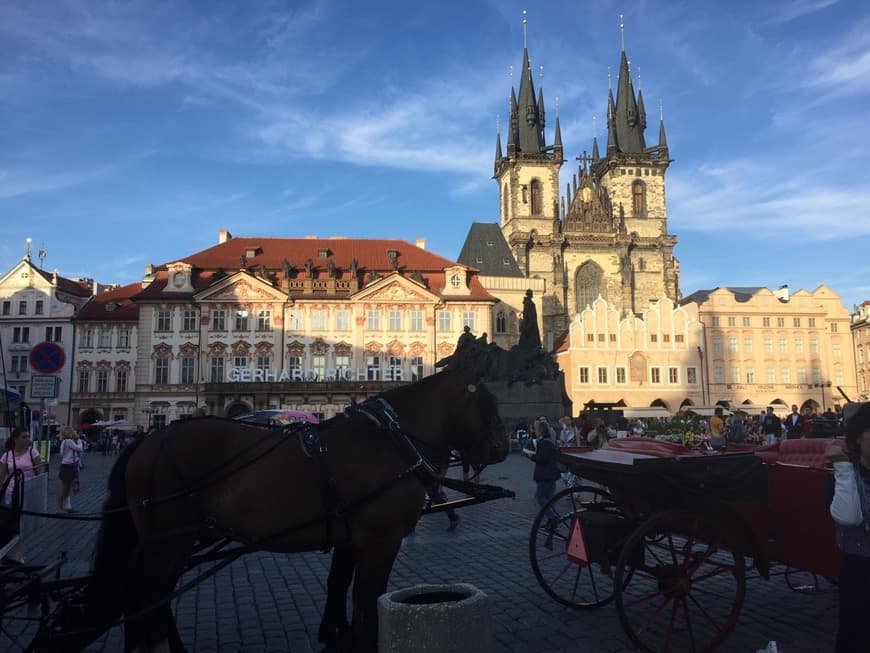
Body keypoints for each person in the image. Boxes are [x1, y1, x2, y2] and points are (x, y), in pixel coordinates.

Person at [825, 402, 870, 653]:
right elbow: (850, 517)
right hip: (859, 571)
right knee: (857, 634)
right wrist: (842, 467)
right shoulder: (844, 474)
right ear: (857, 438)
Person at [1, 428, 46, 562]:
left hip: (28, 492)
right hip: (10, 492)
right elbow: (1, 475)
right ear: (15, 439)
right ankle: (7, 551)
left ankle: (20, 556)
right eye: (24, 437)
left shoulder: (33, 452)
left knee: (21, 525)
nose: (28, 439)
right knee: (10, 522)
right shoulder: (7, 455)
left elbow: (40, 474)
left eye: (28, 436)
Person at [524, 420, 561, 525]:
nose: (534, 431)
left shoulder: (543, 442)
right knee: (548, 499)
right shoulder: (548, 440)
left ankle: (553, 517)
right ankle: (552, 520)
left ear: (540, 430)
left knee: (539, 497)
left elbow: (542, 459)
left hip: (546, 475)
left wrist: (531, 456)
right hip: (551, 474)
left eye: (535, 429)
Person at [57, 426, 83, 513]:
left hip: (65, 465)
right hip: (69, 466)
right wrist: (79, 440)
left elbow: (61, 454)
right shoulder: (69, 441)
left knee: (67, 488)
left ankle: (67, 506)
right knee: (64, 488)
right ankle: (59, 508)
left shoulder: (63, 442)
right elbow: (79, 448)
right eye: (73, 432)